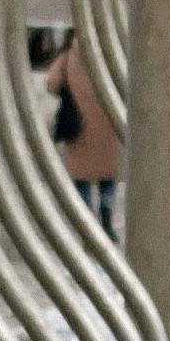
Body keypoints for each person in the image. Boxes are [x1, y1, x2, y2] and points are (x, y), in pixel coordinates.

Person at [41, 30, 123, 235]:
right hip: (106, 126)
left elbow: (51, 84)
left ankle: (88, 226)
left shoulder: (68, 58)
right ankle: (106, 220)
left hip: (78, 127)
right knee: (107, 177)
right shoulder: (109, 56)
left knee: (82, 180)